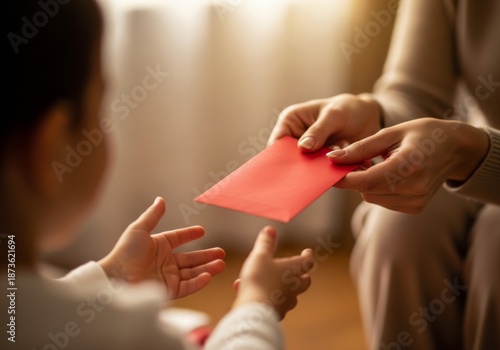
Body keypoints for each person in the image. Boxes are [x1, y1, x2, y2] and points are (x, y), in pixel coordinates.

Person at [1, 1, 314, 349]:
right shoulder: (128, 335)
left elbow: (25, 306)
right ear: (50, 148)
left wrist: (111, 276)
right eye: (100, 110)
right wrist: (256, 306)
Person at [268, 0, 500, 349]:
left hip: (478, 152)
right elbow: (414, 93)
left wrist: (470, 151)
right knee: (397, 228)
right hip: (477, 148)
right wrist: (373, 113)